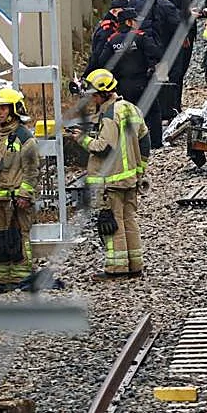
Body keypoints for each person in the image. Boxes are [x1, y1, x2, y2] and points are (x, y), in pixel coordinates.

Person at [68, 69, 150, 278]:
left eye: (94, 94)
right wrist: (140, 171)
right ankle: (134, 264)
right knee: (129, 221)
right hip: (130, 178)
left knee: (113, 224)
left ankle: (116, 268)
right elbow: (145, 140)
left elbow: (105, 147)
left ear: (104, 94)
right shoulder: (130, 108)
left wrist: (82, 139)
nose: (92, 98)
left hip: (112, 181)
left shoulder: (110, 114)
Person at [0, 87, 39, 293]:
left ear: (15, 109)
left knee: (19, 239)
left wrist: (25, 195)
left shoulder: (24, 138)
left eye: (4, 108)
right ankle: (4, 281)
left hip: (17, 201)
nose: (0, 112)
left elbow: (32, 171)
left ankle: (22, 279)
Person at [105, 8, 164, 148]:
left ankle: (130, 144)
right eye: (135, 21)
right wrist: (150, 63)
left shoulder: (112, 40)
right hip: (142, 81)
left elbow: (102, 61)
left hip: (122, 85)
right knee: (153, 112)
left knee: (126, 115)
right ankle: (155, 143)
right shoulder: (140, 36)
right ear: (129, 22)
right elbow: (157, 53)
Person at [164, 0, 199, 109]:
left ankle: (176, 105)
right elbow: (167, 11)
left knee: (182, 71)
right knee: (175, 72)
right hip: (174, 35)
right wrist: (186, 14)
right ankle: (171, 106)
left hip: (188, 32)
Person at [83, 0, 126, 78]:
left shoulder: (106, 25)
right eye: (122, 12)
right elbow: (98, 55)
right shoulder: (108, 30)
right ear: (114, 11)